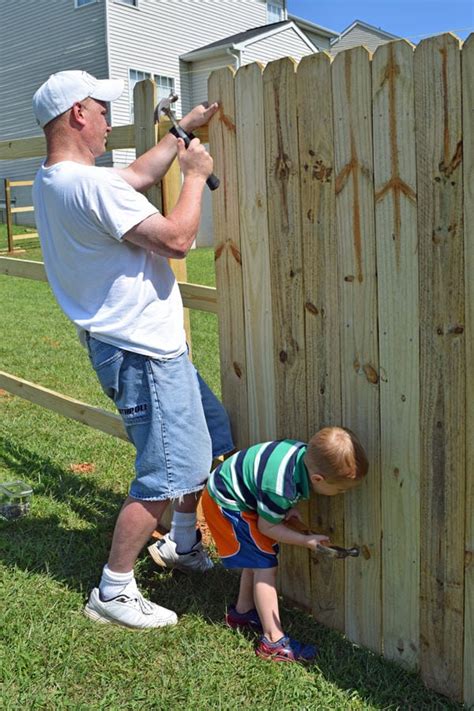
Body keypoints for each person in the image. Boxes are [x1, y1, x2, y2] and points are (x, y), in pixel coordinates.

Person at [31, 70, 234, 630]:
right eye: (101, 110)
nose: (109, 121)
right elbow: (176, 239)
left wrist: (179, 134)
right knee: (169, 469)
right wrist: (194, 175)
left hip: (142, 344)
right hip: (140, 350)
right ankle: (114, 589)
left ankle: (181, 545)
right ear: (77, 114)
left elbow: (135, 176)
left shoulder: (55, 179)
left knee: (212, 435)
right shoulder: (87, 187)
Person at [201, 426, 368, 662]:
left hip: (239, 494)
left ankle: (242, 612)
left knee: (258, 557)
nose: (341, 493)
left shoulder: (302, 456)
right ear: (318, 479)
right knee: (265, 565)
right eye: (340, 489)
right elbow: (266, 527)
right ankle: (272, 642)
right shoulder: (281, 486)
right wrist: (305, 540)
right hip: (226, 501)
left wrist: (285, 509)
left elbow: (263, 485)